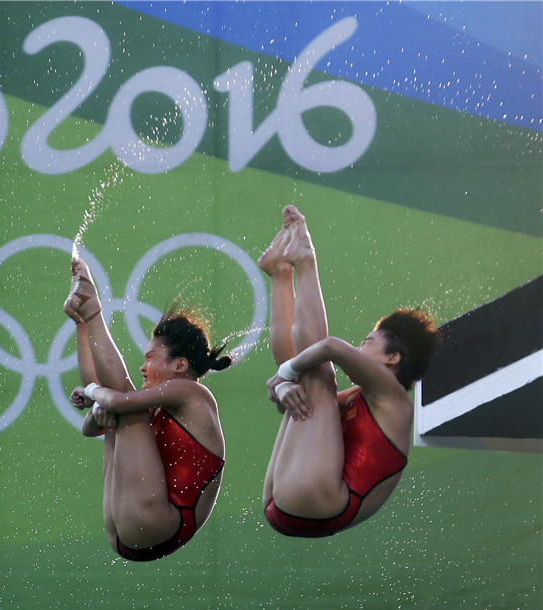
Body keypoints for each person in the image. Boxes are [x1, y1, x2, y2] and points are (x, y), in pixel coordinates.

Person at [258, 205, 441, 537]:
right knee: (307, 378)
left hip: (320, 503)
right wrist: (284, 385)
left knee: (318, 371)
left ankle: (305, 260)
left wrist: (285, 372)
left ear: (392, 358)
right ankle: (281, 273)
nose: (359, 348)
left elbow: (333, 347)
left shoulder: (396, 402)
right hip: (287, 502)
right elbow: (292, 403)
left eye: (367, 342)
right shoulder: (360, 398)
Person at [64, 257, 232, 561]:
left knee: (122, 405)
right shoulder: (154, 407)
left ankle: (93, 310)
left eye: (150, 358)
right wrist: (97, 405)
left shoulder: (193, 393)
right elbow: (90, 428)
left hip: (161, 522)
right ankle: (85, 318)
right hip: (125, 530)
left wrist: (93, 394)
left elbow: (117, 399)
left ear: (180, 365)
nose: (143, 367)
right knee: (115, 414)